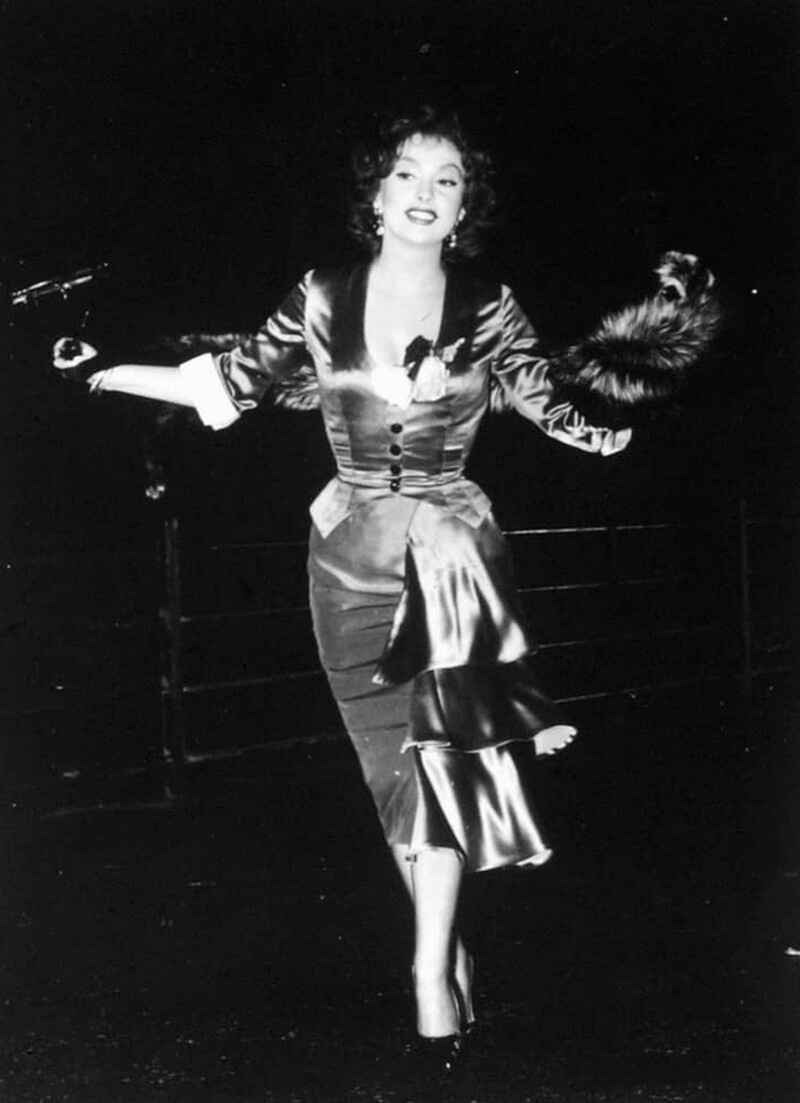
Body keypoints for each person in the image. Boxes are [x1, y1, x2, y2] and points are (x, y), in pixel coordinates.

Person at [53, 106, 721, 1074]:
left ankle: (427, 980)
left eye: (447, 179)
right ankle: (447, 951)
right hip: (344, 566)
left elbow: (552, 399)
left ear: (464, 208)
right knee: (394, 782)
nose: (424, 191)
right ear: (375, 194)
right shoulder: (322, 295)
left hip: (449, 562)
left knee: (440, 765)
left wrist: (625, 405)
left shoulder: (488, 305)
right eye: (407, 172)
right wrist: (110, 374)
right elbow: (228, 382)